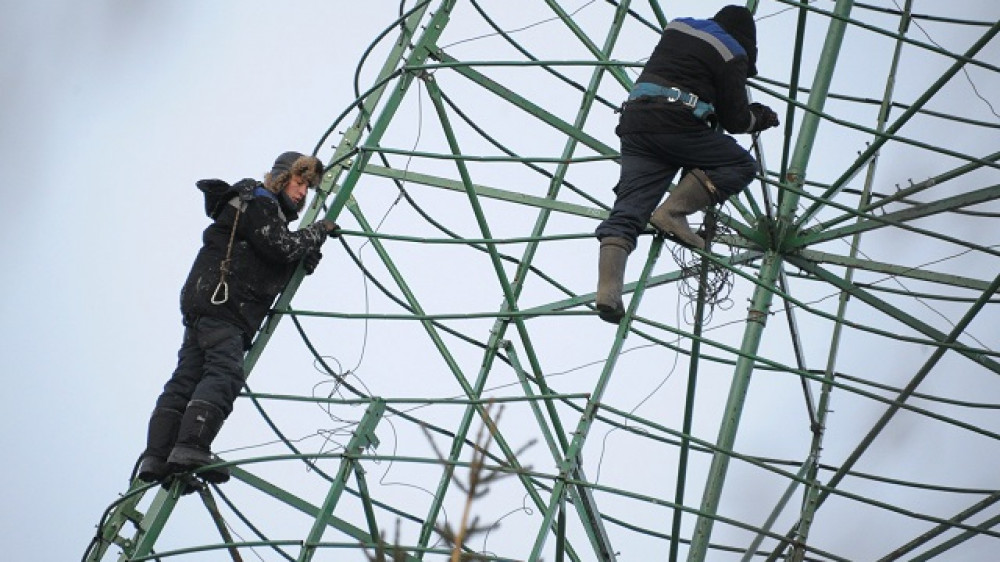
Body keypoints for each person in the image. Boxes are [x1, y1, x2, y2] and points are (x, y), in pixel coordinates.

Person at [137, 151, 340, 484]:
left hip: (206, 301)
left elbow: (270, 254)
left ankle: (158, 457)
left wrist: (300, 255)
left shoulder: (250, 206)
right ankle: (191, 446)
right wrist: (316, 233)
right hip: (226, 306)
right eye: (299, 182)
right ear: (281, 177)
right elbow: (281, 247)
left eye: (308, 188)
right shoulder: (261, 202)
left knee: (186, 378)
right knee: (224, 372)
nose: (303, 193)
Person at [594, 5, 780, 323]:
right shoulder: (734, 52)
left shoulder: (678, 26)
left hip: (637, 120)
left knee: (627, 212)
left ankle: (607, 294)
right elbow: (735, 119)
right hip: (677, 123)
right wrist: (759, 117)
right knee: (740, 166)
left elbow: (688, 73)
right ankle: (672, 213)